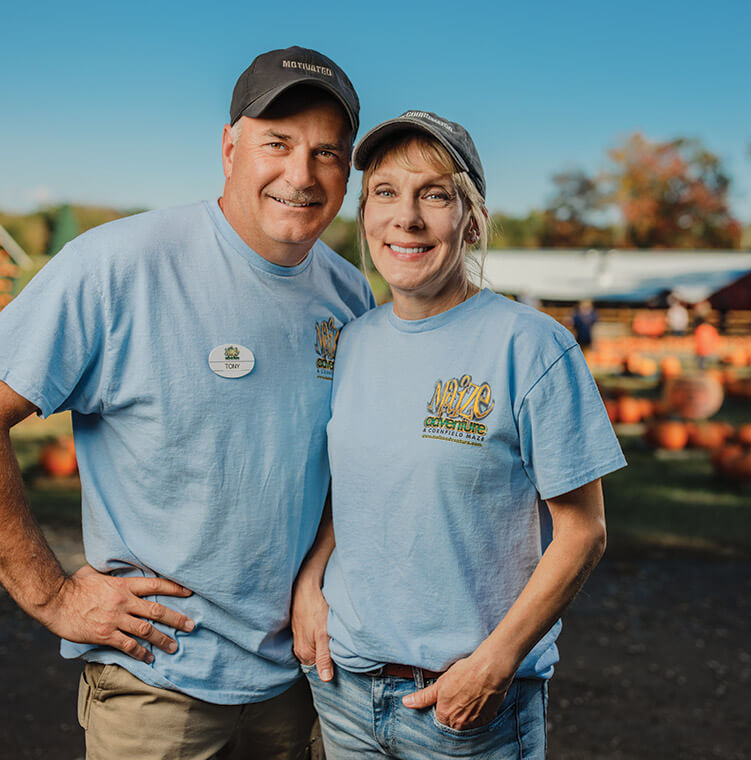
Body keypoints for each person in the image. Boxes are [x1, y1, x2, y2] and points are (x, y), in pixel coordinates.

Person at [0, 46, 375, 760]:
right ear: (229, 148)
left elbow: (356, 466)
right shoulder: (119, 266)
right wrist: (54, 597)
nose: (302, 174)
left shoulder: (351, 298)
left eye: (328, 153)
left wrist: (318, 571)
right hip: (160, 685)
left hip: (303, 686)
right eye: (277, 144)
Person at [290, 111, 627, 759]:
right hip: (344, 691)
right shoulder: (353, 342)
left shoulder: (532, 347)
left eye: (434, 194)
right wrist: (313, 579)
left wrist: (495, 665)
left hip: (464, 708)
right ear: (364, 216)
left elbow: (584, 531)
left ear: (471, 220)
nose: (406, 218)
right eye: (385, 193)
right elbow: (360, 486)